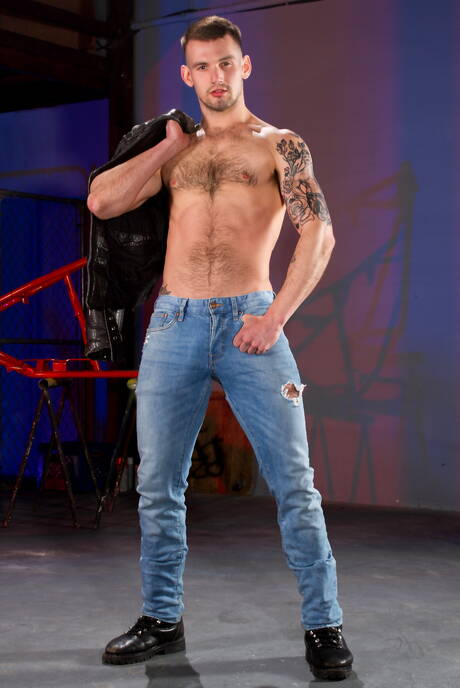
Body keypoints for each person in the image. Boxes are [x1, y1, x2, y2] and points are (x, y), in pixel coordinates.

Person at [87, 15, 353, 681]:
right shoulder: (174, 150)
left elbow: (318, 233)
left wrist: (276, 317)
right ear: (187, 74)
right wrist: (165, 148)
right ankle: (161, 619)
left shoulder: (279, 145)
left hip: (251, 322)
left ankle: (324, 625)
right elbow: (102, 202)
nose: (215, 76)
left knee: (294, 484)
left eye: (226, 63)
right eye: (202, 66)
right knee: (157, 486)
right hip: (173, 322)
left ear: (245, 66)